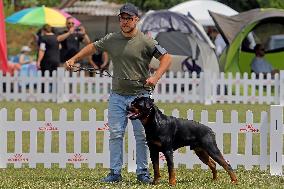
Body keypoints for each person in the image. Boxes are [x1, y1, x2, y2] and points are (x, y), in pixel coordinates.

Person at [65, 3, 172, 184]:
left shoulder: (146, 41)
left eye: (129, 18)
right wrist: (74, 58)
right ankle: (115, 173)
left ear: (136, 19)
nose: (125, 22)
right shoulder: (111, 38)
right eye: (122, 18)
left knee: (142, 136)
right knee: (115, 133)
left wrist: (155, 77)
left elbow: (166, 58)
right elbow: (92, 47)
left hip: (141, 97)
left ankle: (142, 173)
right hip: (117, 96)